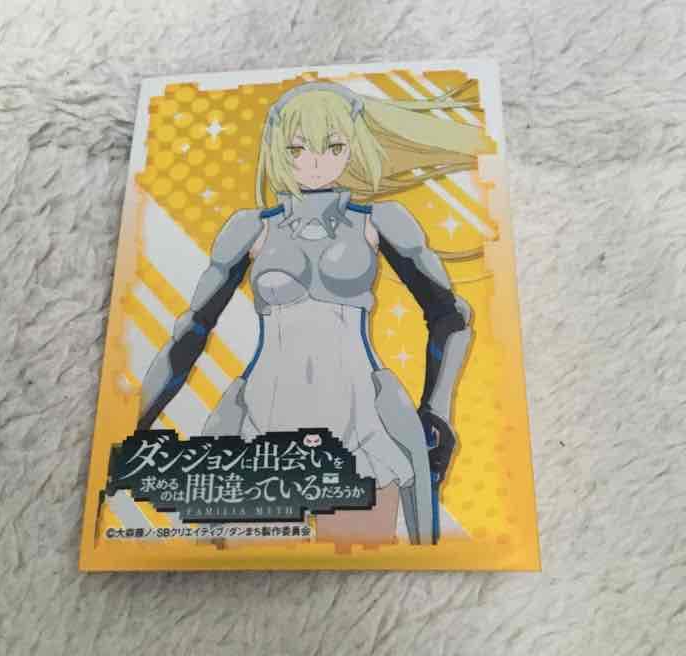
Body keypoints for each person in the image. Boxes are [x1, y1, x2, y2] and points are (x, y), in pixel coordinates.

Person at [137, 80, 494, 545]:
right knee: (237, 568)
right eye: (297, 148)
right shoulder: (250, 229)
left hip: (363, 419)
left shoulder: (379, 222)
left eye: (333, 147)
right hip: (261, 416)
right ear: (277, 150)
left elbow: (451, 319)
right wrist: (132, 425)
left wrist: (437, 412)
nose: (315, 162)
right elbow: (190, 332)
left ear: (353, 148)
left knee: (363, 568)